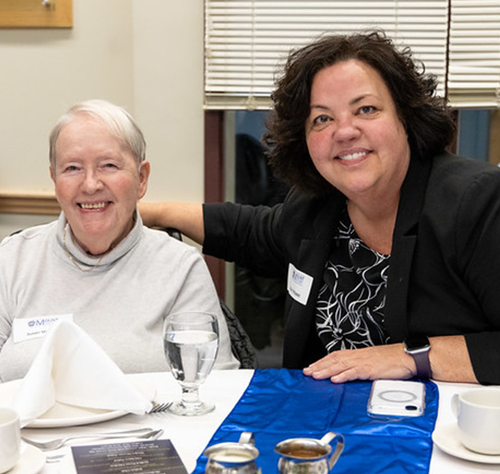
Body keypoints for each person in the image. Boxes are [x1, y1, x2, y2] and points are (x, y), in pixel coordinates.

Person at [140, 31, 500, 386]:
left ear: (405, 117)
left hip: (449, 434)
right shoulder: (316, 208)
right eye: (322, 119)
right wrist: (146, 213)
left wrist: (407, 357)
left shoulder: (477, 202)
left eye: (366, 109)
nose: (344, 131)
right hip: (328, 429)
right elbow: (248, 230)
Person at [0, 99, 239, 382]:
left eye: (109, 165)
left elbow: (217, 386)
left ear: (141, 178)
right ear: (54, 180)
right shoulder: (12, 259)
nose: (90, 184)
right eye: (72, 168)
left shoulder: (179, 268)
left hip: (153, 427)